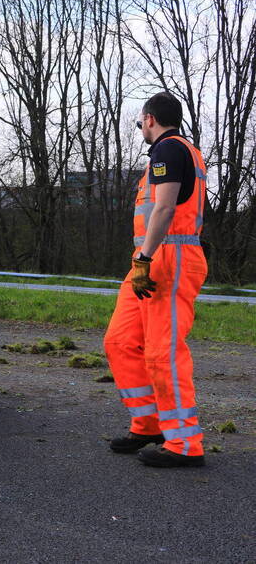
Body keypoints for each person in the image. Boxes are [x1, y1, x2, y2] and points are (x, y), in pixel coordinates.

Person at [104, 92, 208, 467]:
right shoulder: (174, 152)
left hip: (168, 259)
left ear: (150, 119)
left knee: (163, 352)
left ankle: (184, 444)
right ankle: (149, 424)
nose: (141, 129)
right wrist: (142, 259)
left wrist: (146, 257)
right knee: (120, 341)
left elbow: (164, 207)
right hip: (149, 260)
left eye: (140, 123)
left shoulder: (168, 150)